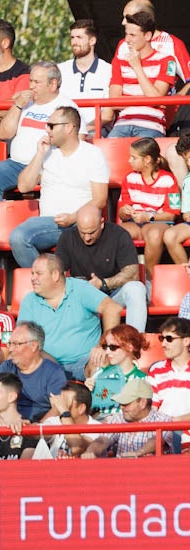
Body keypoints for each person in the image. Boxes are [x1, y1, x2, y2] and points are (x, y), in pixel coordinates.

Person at [9, 107, 109, 268]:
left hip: (80, 223)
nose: (47, 130)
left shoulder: (92, 154)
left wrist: (73, 217)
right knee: (18, 237)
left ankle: (52, 281)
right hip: (48, 222)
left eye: (51, 125)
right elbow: (23, 186)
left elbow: (100, 199)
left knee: (84, 231)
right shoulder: (47, 153)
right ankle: (47, 279)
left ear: (68, 127)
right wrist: (39, 154)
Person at [0, 60, 76, 202]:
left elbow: (75, 143)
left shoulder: (67, 107)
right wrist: (17, 105)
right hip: (15, 164)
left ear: (53, 84)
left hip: (47, 166)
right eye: (30, 81)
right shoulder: (26, 104)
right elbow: (4, 134)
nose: (31, 86)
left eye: (37, 82)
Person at [17, 255, 123, 380]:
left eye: (38, 273)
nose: (33, 278)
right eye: (32, 273)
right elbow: (21, 338)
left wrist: (104, 345)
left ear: (55, 275)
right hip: (46, 366)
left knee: (102, 362)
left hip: (85, 362)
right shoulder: (29, 300)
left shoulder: (80, 289)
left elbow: (113, 308)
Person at [56, 203, 148, 333]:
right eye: (82, 232)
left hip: (114, 295)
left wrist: (103, 284)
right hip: (82, 297)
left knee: (136, 288)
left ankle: (135, 342)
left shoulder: (119, 235)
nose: (87, 238)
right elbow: (57, 273)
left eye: (92, 232)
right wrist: (78, 288)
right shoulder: (67, 237)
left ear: (102, 223)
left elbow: (133, 274)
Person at [105, 9, 182, 139]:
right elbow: (114, 101)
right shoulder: (119, 60)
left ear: (147, 36)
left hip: (151, 125)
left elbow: (156, 97)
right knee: (107, 154)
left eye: (132, 35)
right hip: (122, 124)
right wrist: (146, 100)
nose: (127, 39)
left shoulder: (168, 61)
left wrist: (137, 67)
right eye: (126, 34)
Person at [117, 138, 179, 279]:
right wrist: (125, 211)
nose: (129, 161)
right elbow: (121, 212)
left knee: (154, 234)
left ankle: (150, 278)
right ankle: (124, 276)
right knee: (115, 232)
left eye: (133, 157)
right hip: (135, 224)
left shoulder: (169, 180)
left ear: (147, 160)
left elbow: (172, 214)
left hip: (158, 223)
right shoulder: (130, 178)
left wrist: (149, 217)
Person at [83, 376, 179, 458]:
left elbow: (157, 440)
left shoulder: (163, 420)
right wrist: (91, 451)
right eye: (121, 403)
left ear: (142, 403)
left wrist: (138, 453)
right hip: (124, 474)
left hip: (155, 474)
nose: (121, 407)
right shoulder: (118, 418)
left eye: (126, 403)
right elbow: (103, 440)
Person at [0, 318, 70, 421]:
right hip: (5, 426)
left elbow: (58, 407)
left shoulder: (53, 373)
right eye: (10, 344)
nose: (11, 349)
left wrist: (34, 430)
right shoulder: (7, 367)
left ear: (34, 346)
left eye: (16, 344)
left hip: (39, 429)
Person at [59, 19, 110, 140]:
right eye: (72, 37)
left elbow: (108, 116)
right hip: (63, 133)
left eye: (79, 37)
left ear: (92, 40)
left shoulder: (108, 70)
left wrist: (82, 131)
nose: (74, 42)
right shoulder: (60, 70)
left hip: (95, 133)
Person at [87, 322, 148, 416]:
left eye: (112, 347)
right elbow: (88, 410)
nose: (107, 352)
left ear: (129, 347)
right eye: (105, 347)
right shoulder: (99, 374)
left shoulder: (143, 380)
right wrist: (87, 393)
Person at [145, 318, 190, 420]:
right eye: (162, 338)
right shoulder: (156, 370)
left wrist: (174, 421)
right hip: (162, 431)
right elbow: (151, 409)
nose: (163, 344)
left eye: (169, 339)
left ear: (186, 341)